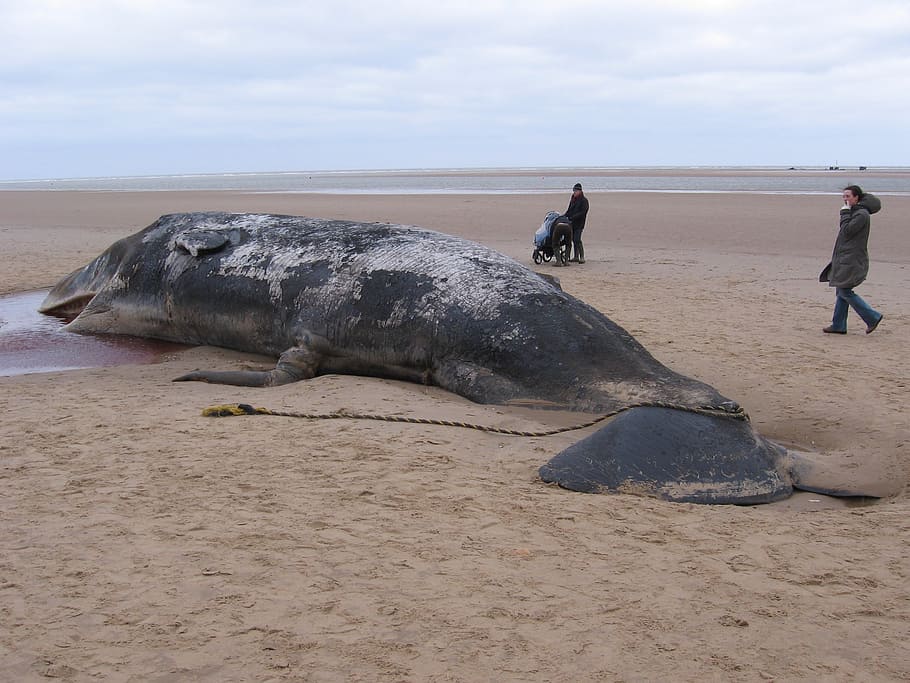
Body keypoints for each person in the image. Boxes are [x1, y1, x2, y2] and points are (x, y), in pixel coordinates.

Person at [819, 185, 884, 334]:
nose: (845, 199)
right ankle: (838, 325)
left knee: (845, 291)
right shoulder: (856, 212)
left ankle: (872, 317)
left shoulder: (861, 214)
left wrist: (845, 213)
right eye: (844, 196)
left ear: (856, 197)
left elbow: (847, 231)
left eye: (848, 196)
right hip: (845, 257)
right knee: (841, 291)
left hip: (852, 259)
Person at [565, 182, 589, 263]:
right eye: (573, 190)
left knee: (577, 239)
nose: (574, 192)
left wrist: (573, 217)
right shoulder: (573, 199)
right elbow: (569, 210)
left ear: (580, 191)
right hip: (571, 223)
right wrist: (564, 216)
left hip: (579, 223)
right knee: (573, 239)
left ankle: (582, 257)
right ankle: (576, 257)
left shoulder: (584, 201)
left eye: (575, 191)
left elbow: (583, 213)